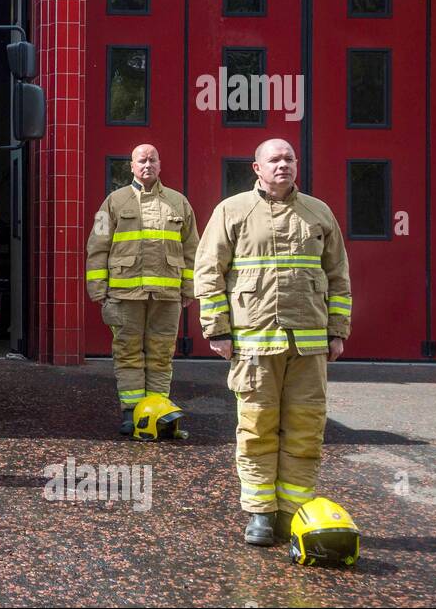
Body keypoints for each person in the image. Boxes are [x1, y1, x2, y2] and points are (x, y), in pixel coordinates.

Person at [193, 138, 352, 546]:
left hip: (309, 345)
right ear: (256, 168)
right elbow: (209, 272)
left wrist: (337, 330)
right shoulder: (232, 211)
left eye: (289, 159)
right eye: (274, 160)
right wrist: (217, 330)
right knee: (257, 427)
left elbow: (338, 276)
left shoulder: (319, 213)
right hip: (253, 344)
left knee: (306, 428)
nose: (283, 165)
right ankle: (260, 513)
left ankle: (293, 510)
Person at [85, 144, 198, 435]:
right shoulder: (113, 201)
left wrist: (189, 288)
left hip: (166, 296)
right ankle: (132, 413)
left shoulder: (179, 203)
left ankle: (158, 411)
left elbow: (192, 249)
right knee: (128, 354)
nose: (147, 165)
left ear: (160, 165)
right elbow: (97, 247)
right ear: (131, 166)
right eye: (141, 160)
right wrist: (98, 290)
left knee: (161, 354)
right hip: (124, 295)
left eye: (152, 160)